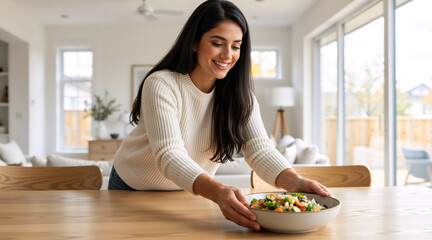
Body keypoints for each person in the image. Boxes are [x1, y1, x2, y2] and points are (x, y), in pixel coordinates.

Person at [109, 0, 330, 231]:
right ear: (195, 43)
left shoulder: (242, 97)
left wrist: (296, 182)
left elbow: (260, 149)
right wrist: (218, 191)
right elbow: (169, 154)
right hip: (131, 188)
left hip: (189, 190)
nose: (228, 55)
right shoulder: (162, 84)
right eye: (217, 43)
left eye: (236, 46)